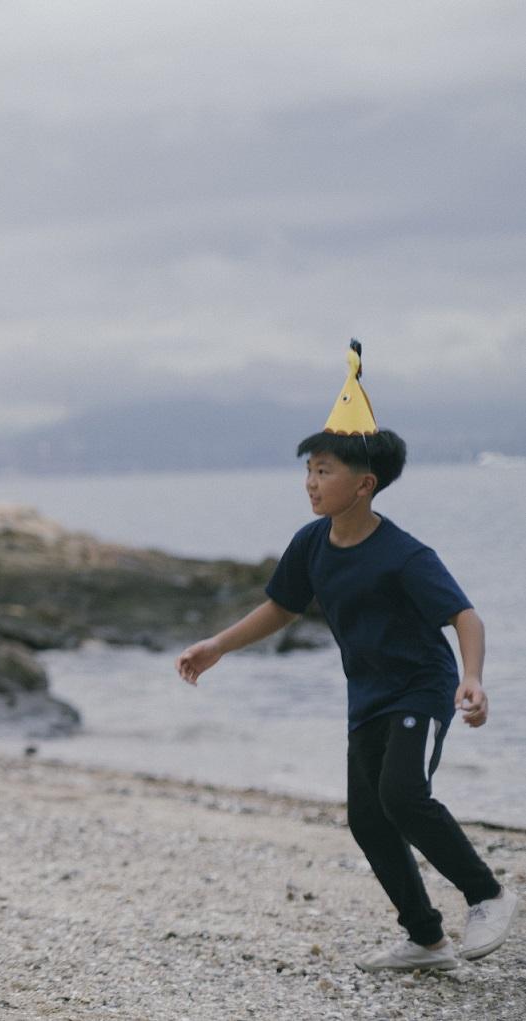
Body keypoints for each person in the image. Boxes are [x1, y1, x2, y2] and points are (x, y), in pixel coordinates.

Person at [176, 342, 516, 971]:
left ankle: (488, 894)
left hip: (420, 686)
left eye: (324, 470)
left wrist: (472, 679)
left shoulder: (406, 555)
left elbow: (464, 616)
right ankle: (426, 939)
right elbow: (282, 607)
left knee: (404, 796)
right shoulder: (311, 544)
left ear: (364, 484)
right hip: (369, 694)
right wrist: (218, 645)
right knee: (368, 818)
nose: (310, 482)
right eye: (308, 469)